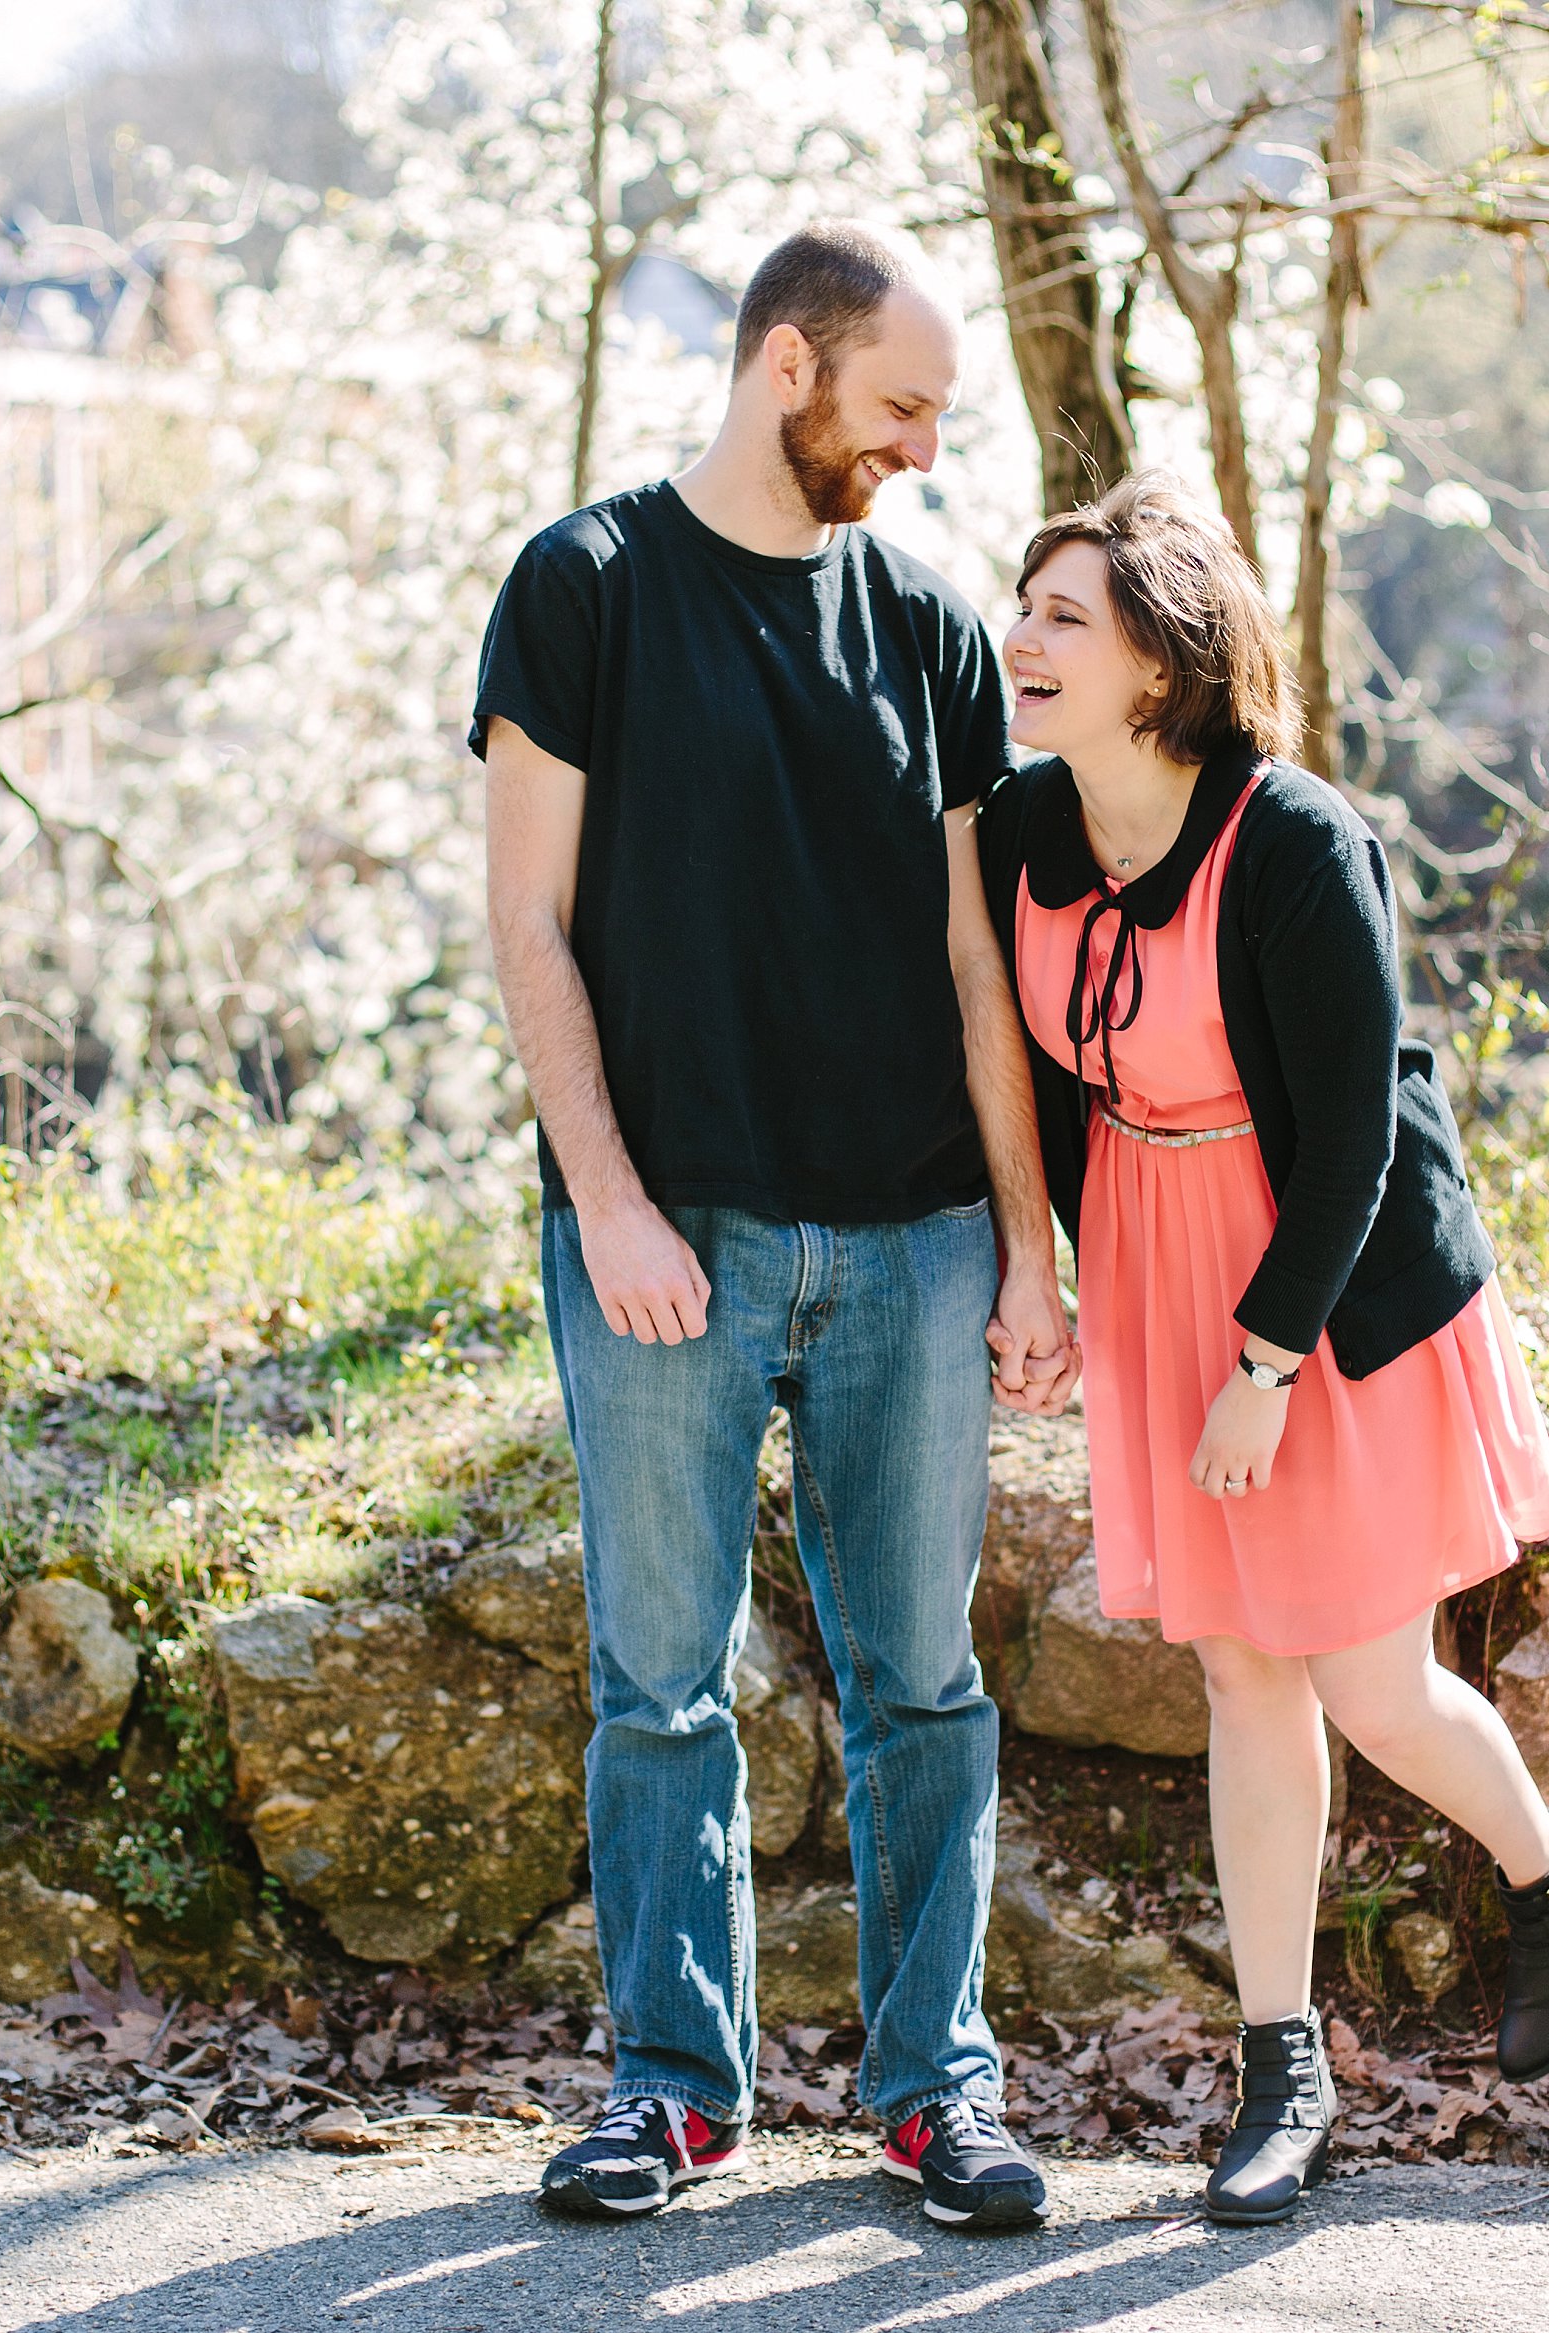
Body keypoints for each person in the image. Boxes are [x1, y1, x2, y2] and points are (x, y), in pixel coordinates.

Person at [473, 224, 1074, 2232]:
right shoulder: (589, 588)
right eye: (900, 404)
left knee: (924, 1688)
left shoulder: (929, 629)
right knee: (660, 1684)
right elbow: (528, 926)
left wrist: (1025, 1245)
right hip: (669, 1248)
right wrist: (616, 1204)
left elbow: (978, 971)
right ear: (786, 368)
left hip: (912, 1245)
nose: (919, 447)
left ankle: (933, 2090)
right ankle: (669, 2093)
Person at [975, 474, 1549, 2228]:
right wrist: (1044, 1281)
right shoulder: (1019, 840)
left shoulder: (1295, 839)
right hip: (1154, 1266)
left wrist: (1263, 1367)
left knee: (1363, 1674)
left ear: (1163, 671)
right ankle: (1285, 2071)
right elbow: (1028, 1082)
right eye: (1021, 604)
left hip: (1324, 1283)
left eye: (1065, 617)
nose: (1023, 636)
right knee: (1239, 1675)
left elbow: (1349, 1142)